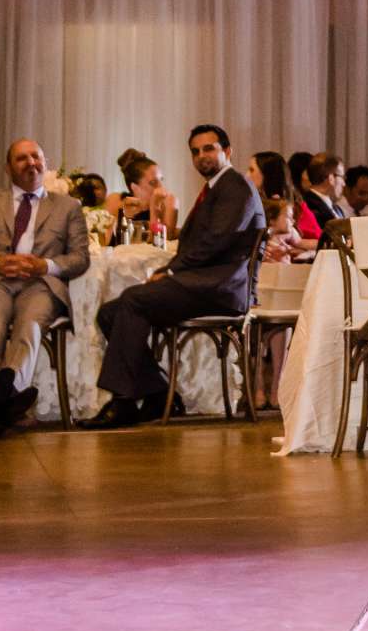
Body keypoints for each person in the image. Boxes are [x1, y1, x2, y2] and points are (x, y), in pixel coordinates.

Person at [84, 124, 265, 428]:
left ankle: (123, 402)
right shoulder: (215, 188)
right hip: (204, 282)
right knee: (109, 313)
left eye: (209, 149)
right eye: (195, 151)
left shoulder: (235, 187)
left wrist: (170, 271)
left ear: (227, 151)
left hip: (221, 288)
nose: (201, 156)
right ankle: (157, 394)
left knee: (133, 299)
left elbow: (216, 241)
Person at [0, 138, 91, 438]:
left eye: (36, 157)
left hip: (41, 283)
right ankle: (1, 408)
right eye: (21, 159)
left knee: (29, 328)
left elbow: (80, 258)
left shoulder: (67, 207)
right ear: (8, 167)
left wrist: (47, 266)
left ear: (45, 161)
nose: (31, 163)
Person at [118, 148, 178, 239]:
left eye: (161, 180)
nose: (160, 186)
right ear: (135, 188)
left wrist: (154, 208)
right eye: (153, 183)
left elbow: (161, 239)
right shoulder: (118, 201)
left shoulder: (169, 200)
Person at [298, 153, 344, 231]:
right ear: (331, 177)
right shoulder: (308, 206)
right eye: (341, 177)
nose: (344, 183)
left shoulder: (337, 209)